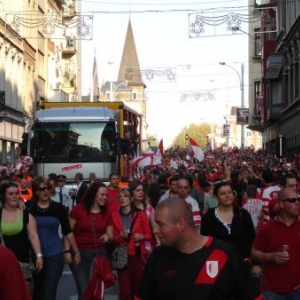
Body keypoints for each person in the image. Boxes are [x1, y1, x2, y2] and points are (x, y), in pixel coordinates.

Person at [137, 197, 252, 300]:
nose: (155, 230)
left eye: (160, 224)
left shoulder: (225, 254)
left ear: (181, 224)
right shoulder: (158, 257)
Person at [27, 176, 80, 300]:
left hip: (54, 254)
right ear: (36, 191)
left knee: (49, 292)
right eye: (42, 189)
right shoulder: (29, 207)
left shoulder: (58, 208)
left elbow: (67, 230)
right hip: (34, 255)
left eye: (48, 188)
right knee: (36, 292)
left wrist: (75, 251)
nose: (46, 191)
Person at [251, 188, 300, 299]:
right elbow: (254, 253)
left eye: (298, 199)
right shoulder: (267, 228)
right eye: (292, 200)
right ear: (281, 204)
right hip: (272, 291)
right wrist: (270, 256)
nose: (297, 203)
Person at [67, 181, 113, 300]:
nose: (105, 198)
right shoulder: (78, 209)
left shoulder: (107, 212)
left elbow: (110, 234)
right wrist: (67, 251)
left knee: (97, 291)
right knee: (84, 291)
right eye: (102, 195)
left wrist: (108, 237)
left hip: (99, 254)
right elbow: (68, 231)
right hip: (79, 253)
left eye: (106, 195)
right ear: (93, 194)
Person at [0, 180, 43, 295]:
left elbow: (33, 236)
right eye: (10, 194)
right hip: (2, 263)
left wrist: (39, 256)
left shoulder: (25, 213)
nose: (14, 196)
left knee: (23, 294)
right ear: (4, 196)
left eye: (16, 193)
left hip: (22, 262)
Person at [111, 188, 152, 300]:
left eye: (125, 196)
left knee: (137, 287)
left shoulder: (140, 214)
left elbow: (149, 234)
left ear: (131, 199)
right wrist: (120, 236)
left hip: (137, 254)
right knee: (125, 290)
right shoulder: (114, 215)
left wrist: (141, 236)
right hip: (121, 253)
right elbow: (113, 239)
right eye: (120, 197)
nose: (122, 199)